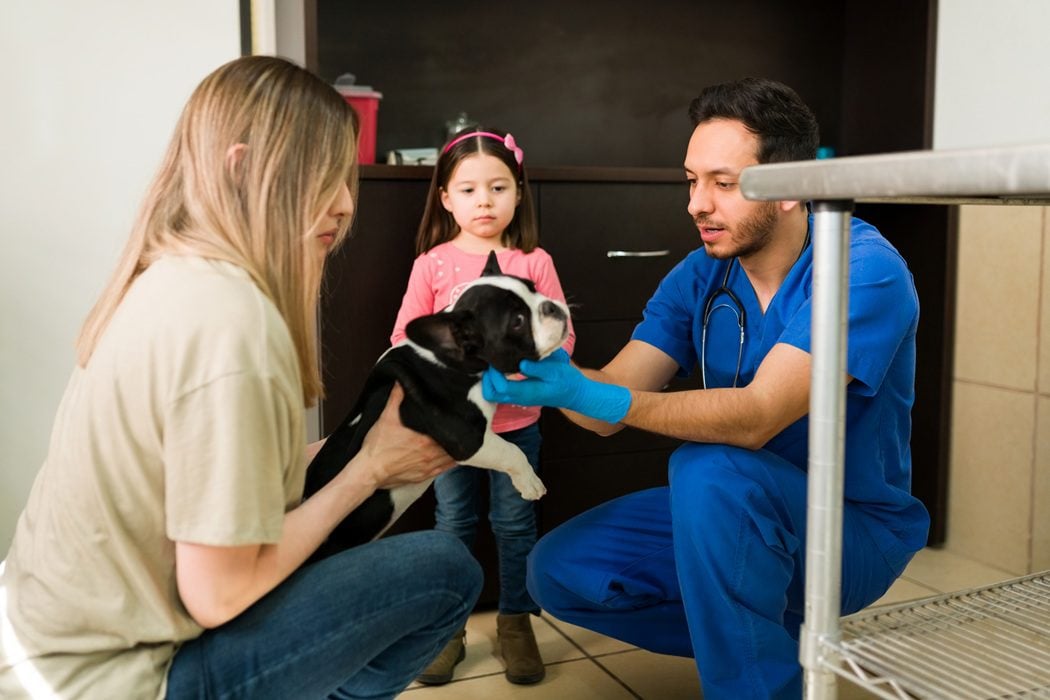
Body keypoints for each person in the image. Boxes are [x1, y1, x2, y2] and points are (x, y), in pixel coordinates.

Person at [0, 56, 482, 700]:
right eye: (321, 177)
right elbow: (218, 595)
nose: (343, 203)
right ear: (238, 167)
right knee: (447, 570)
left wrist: (362, 451)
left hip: (33, 648)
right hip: (109, 681)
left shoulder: (165, 277)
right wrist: (364, 475)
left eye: (345, 176)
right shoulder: (231, 324)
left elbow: (217, 481)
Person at [482, 77, 931, 699]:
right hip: (727, 514)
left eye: (723, 183)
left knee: (710, 466)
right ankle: (773, 647)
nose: (696, 203)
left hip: (848, 529)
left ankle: (755, 682)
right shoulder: (702, 275)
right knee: (561, 572)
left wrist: (594, 397)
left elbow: (756, 416)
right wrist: (546, 374)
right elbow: (608, 403)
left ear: (790, 190)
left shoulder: (862, 270)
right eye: (691, 180)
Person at [389, 127, 575, 686]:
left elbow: (563, 338)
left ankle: (516, 621)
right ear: (446, 198)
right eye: (468, 190)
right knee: (453, 523)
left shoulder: (535, 261)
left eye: (497, 187)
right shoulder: (433, 265)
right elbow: (403, 336)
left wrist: (519, 369)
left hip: (517, 426)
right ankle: (450, 629)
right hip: (451, 431)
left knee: (516, 523)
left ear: (518, 191)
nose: (484, 201)